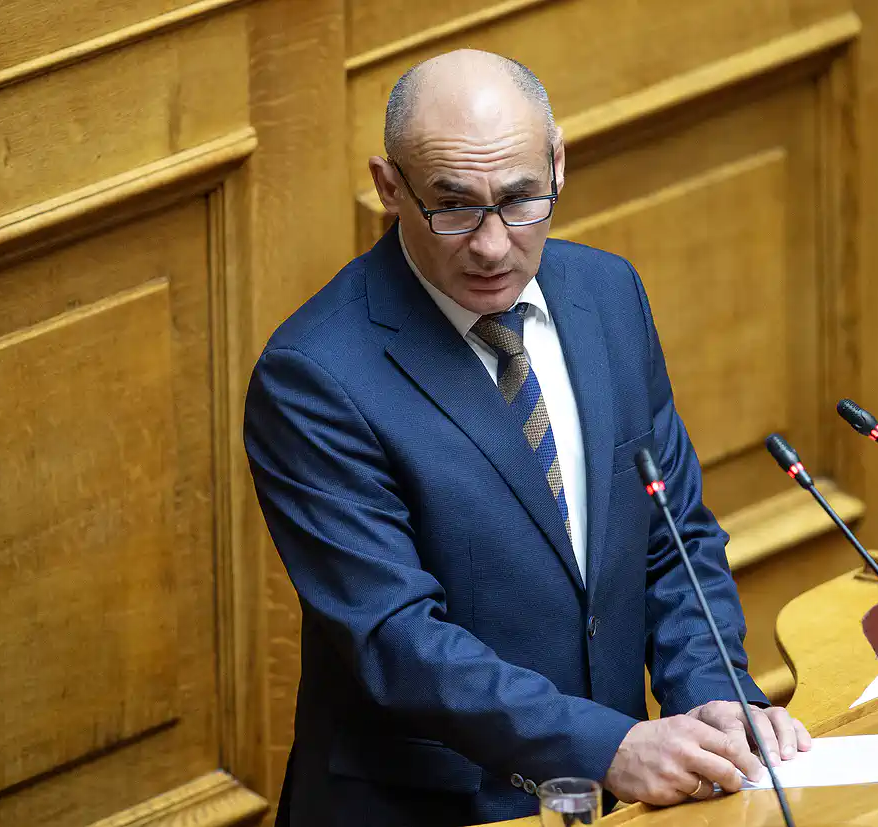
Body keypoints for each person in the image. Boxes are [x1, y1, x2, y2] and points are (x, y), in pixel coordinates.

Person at [244, 49, 811, 827]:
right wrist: (606, 745)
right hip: (430, 809)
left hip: (612, 803)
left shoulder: (608, 295)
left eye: (519, 200)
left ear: (558, 165)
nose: (491, 244)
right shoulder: (315, 375)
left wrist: (711, 698)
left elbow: (672, 536)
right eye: (453, 206)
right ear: (388, 187)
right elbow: (396, 638)